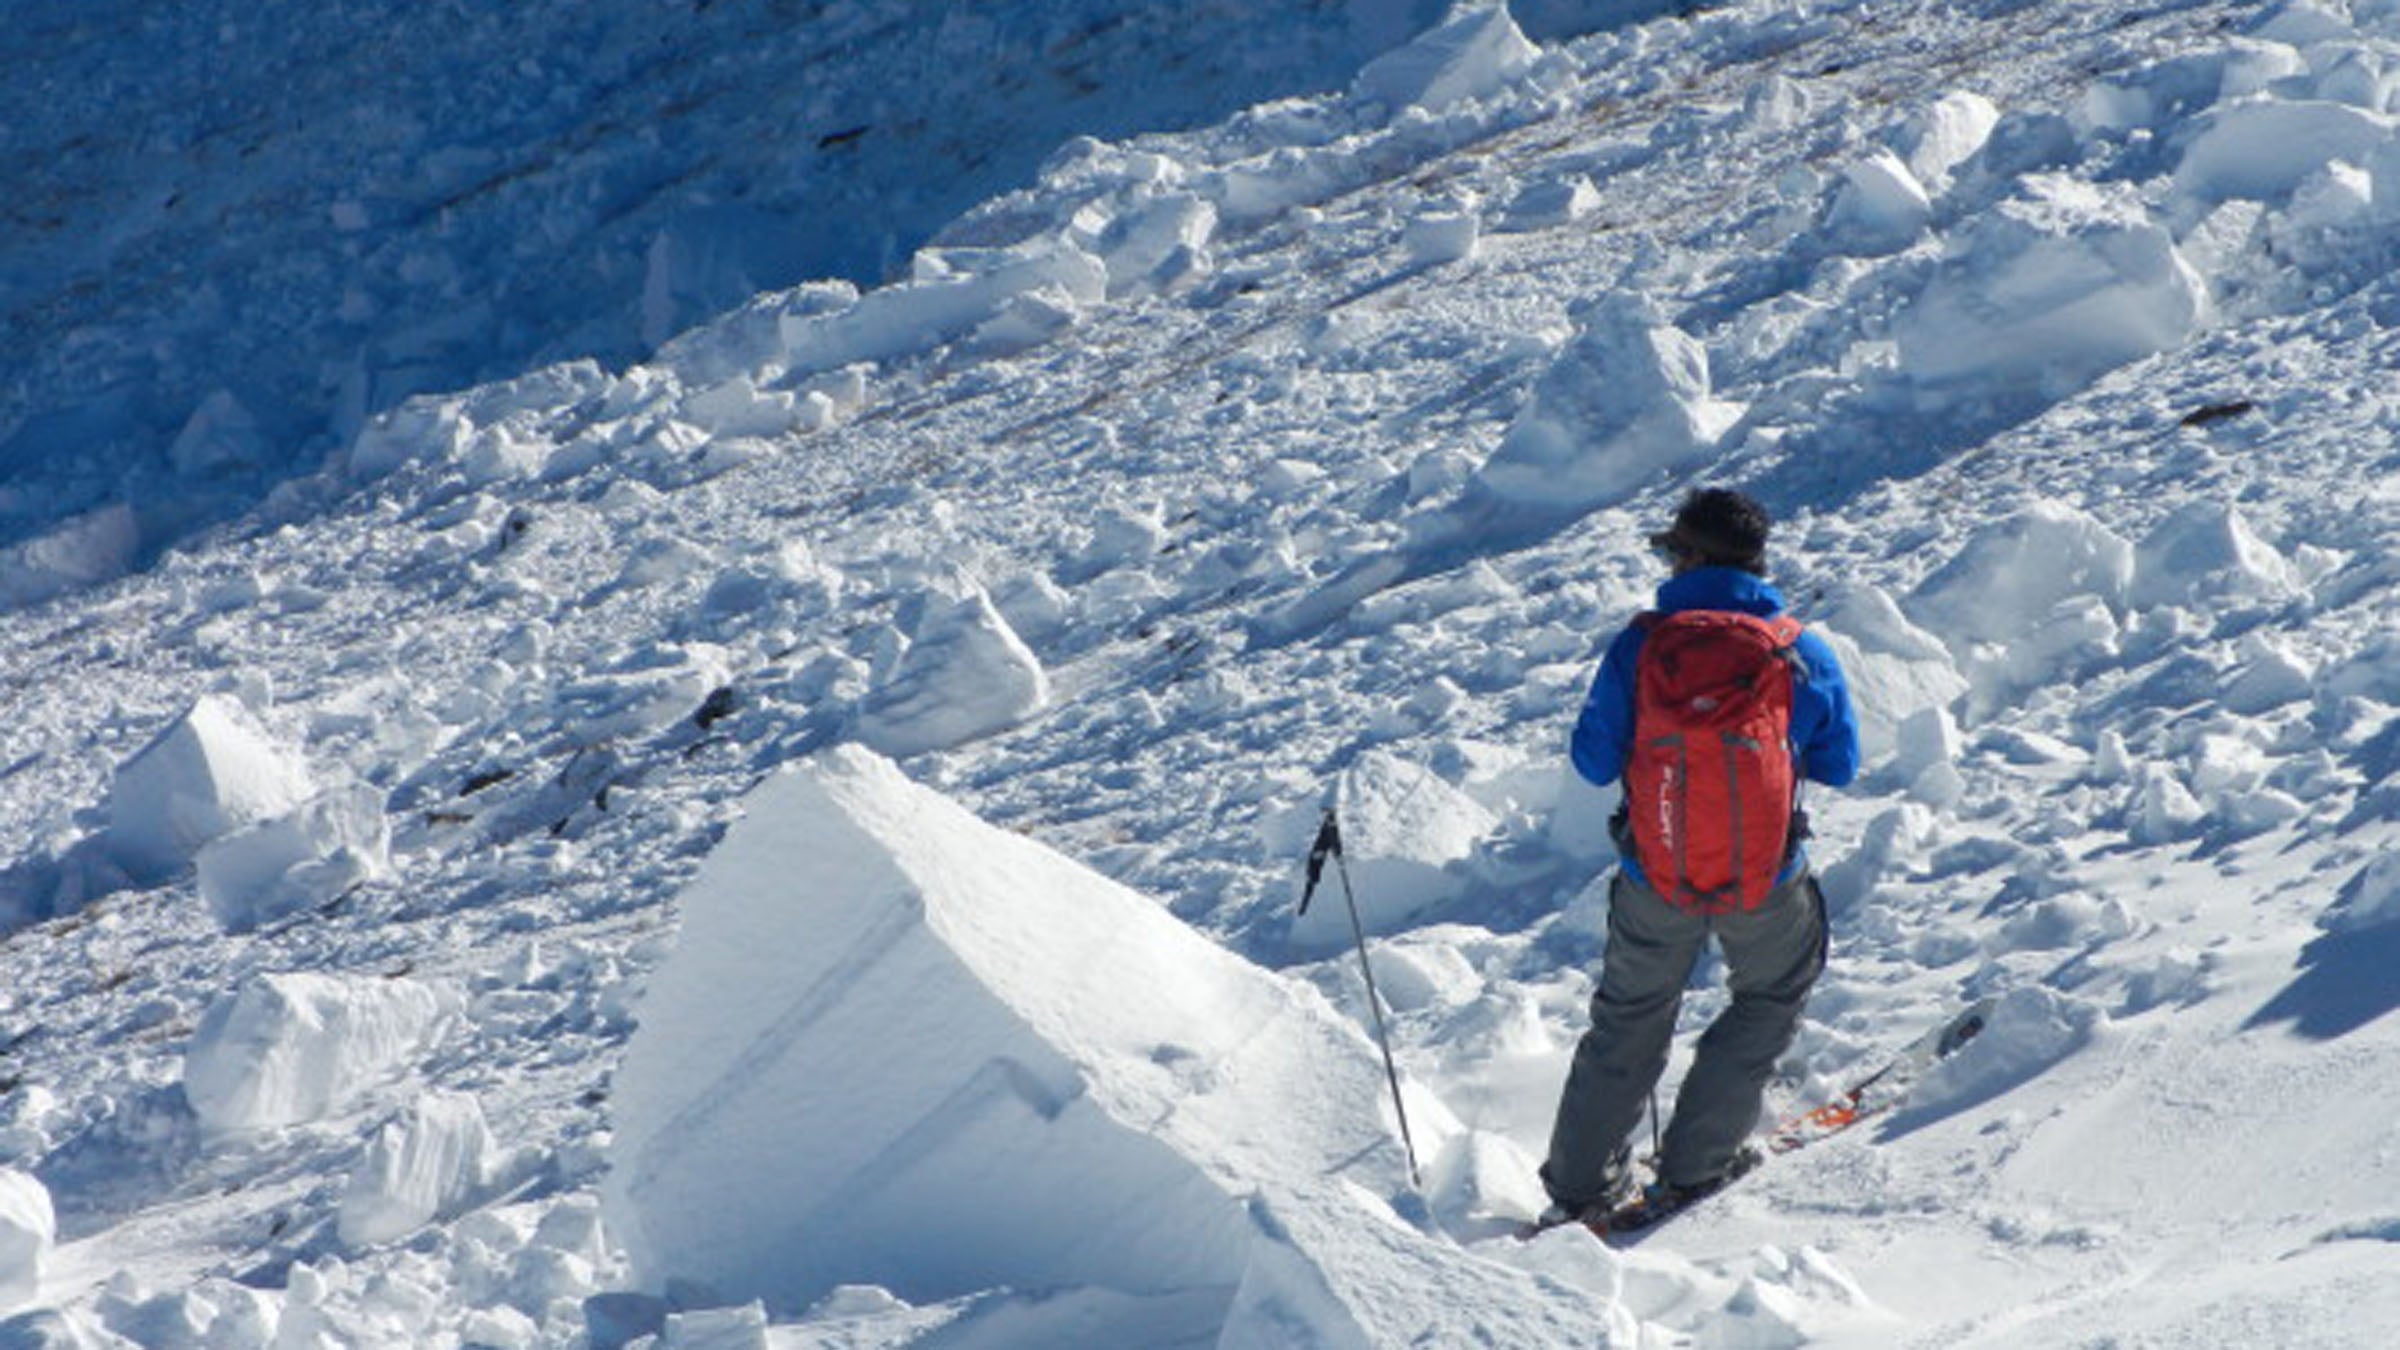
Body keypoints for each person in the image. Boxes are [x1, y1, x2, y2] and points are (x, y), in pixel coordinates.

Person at [1540, 486, 1860, 1221]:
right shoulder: (1797, 647)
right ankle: (1694, 1169)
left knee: (1630, 1016)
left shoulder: (1643, 645)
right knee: (1768, 998)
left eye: (1668, 548)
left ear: (1689, 557)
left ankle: (1579, 1190)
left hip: (1654, 870)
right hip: (1765, 878)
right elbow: (1839, 764)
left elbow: (1592, 761)